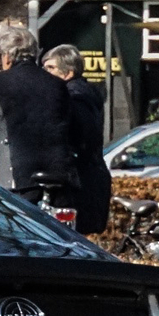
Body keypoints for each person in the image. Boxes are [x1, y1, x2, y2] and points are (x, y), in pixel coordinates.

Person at [0, 23, 75, 208]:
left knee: (15, 230)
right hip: (59, 177)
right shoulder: (57, 84)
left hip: (18, 178)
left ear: (8, 57)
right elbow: (71, 127)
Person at [43, 43, 112, 236]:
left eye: (51, 68)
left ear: (68, 74)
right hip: (90, 179)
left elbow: (82, 139)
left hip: (81, 184)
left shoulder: (74, 98)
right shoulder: (85, 95)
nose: (45, 73)